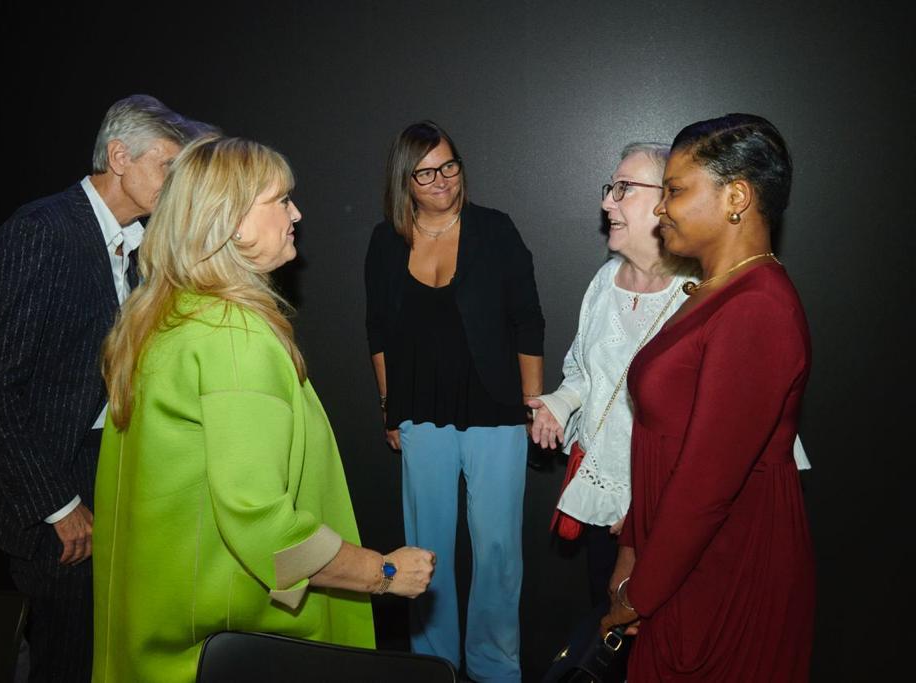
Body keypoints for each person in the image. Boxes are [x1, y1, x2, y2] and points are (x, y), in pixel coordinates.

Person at [93, 136, 435, 683]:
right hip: (229, 648)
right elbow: (265, 530)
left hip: (160, 640)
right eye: (281, 200)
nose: (296, 214)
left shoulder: (161, 318)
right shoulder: (233, 336)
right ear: (231, 222)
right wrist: (385, 572)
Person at [0, 94, 196, 682]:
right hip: (42, 489)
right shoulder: (40, 232)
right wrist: (57, 505)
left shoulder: (140, 246)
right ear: (119, 157)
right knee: (62, 659)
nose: (177, 183)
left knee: (90, 649)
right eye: (167, 165)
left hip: (98, 469)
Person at [601, 114, 815, 681]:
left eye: (675, 190)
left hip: (727, 564)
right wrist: (632, 549)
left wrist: (641, 593)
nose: (661, 208)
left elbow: (706, 484)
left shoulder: (758, 308)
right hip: (680, 560)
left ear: (736, 197)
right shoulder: (713, 290)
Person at [365, 120, 544, 682]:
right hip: (420, 415)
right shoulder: (385, 241)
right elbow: (378, 331)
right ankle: (434, 666)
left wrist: (532, 403)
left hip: (496, 411)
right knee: (424, 551)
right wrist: (390, 406)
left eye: (449, 166)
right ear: (404, 180)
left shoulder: (495, 229)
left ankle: (495, 668)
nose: (441, 180)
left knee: (498, 551)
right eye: (425, 173)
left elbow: (527, 320)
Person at [529, 142, 696, 608]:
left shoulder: (698, 293)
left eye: (624, 188)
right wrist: (559, 404)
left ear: (667, 200)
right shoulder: (605, 281)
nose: (607, 202)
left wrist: (649, 508)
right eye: (610, 188)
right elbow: (585, 371)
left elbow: (712, 426)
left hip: (671, 508)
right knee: (607, 614)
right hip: (606, 500)